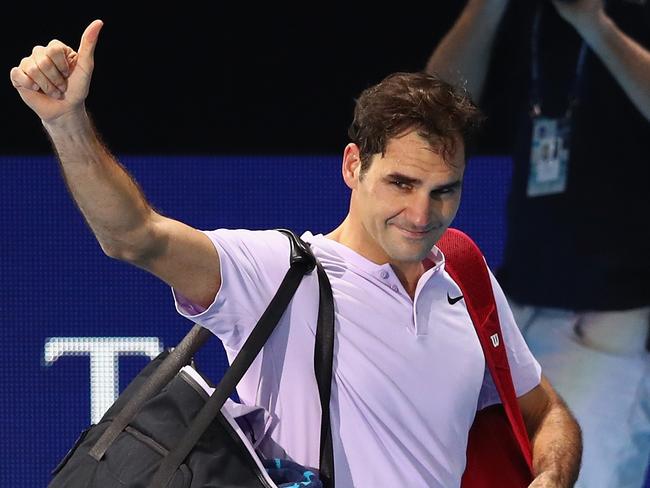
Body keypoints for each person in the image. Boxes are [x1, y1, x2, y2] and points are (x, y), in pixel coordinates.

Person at [10, 20, 582, 487]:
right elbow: (134, 235)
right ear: (354, 165)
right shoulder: (276, 272)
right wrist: (67, 122)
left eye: (444, 191)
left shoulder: (461, 269)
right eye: (402, 184)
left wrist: (550, 479)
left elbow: (548, 414)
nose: (421, 215)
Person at [427, 0, 650, 486]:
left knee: (588, 475)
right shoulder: (530, 18)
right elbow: (435, 111)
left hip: (611, 312)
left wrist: (595, 23)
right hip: (522, 299)